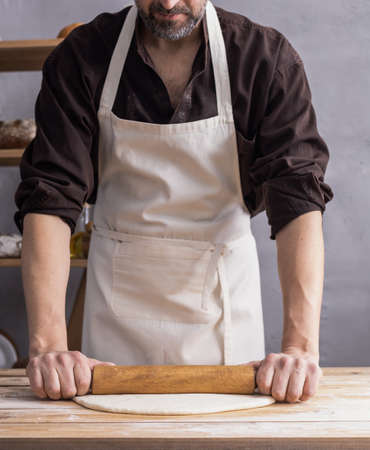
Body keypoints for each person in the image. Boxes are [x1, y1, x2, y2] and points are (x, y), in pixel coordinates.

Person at [14, 0, 333, 403]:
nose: (167, 3)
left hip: (227, 332)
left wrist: (300, 348)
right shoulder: (83, 56)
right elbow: (48, 196)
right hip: (112, 345)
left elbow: (299, 200)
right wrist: (49, 348)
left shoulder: (263, 59)